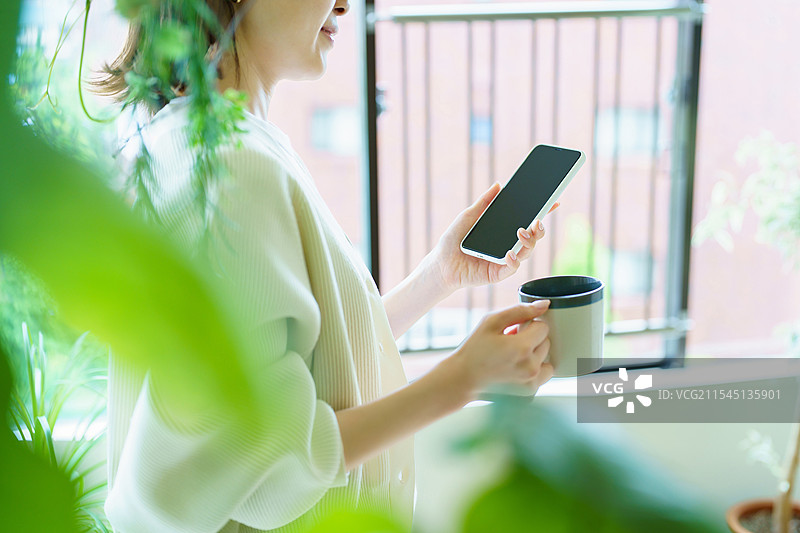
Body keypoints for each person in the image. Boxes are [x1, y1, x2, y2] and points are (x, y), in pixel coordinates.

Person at [98, 1, 554, 531]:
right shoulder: (232, 166)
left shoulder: (203, 144)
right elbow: (257, 457)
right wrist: (461, 380)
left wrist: (439, 275)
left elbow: (308, 360)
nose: (344, 3)